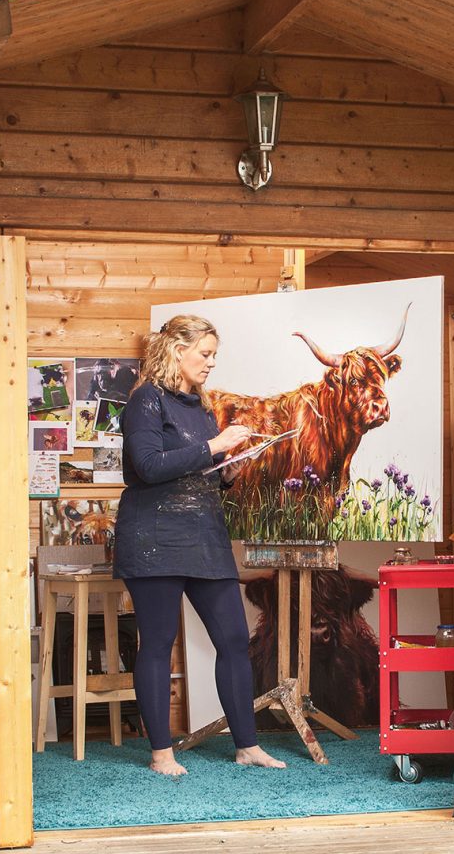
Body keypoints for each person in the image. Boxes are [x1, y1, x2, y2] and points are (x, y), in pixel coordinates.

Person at [113, 314, 286, 775]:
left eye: (214, 356)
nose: (211, 363)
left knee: (233, 639)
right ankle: (161, 754)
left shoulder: (201, 405)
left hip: (204, 535)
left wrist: (226, 470)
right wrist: (214, 446)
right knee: (157, 642)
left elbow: (194, 468)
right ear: (176, 351)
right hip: (153, 536)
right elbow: (148, 466)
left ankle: (247, 746)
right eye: (204, 354)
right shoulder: (145, 400)